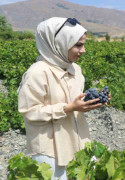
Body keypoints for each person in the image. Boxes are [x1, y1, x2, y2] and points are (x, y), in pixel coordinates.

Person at [18, 17, 108, 179]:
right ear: (60, 43)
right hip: (50, 151)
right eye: (78, 45)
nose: (84, 50)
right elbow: (29, 111)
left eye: (84, 44)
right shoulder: (37, 73)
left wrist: (89, 102)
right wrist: (67, 108)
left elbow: (75, 103)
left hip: (79, 142)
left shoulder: (76, 70)